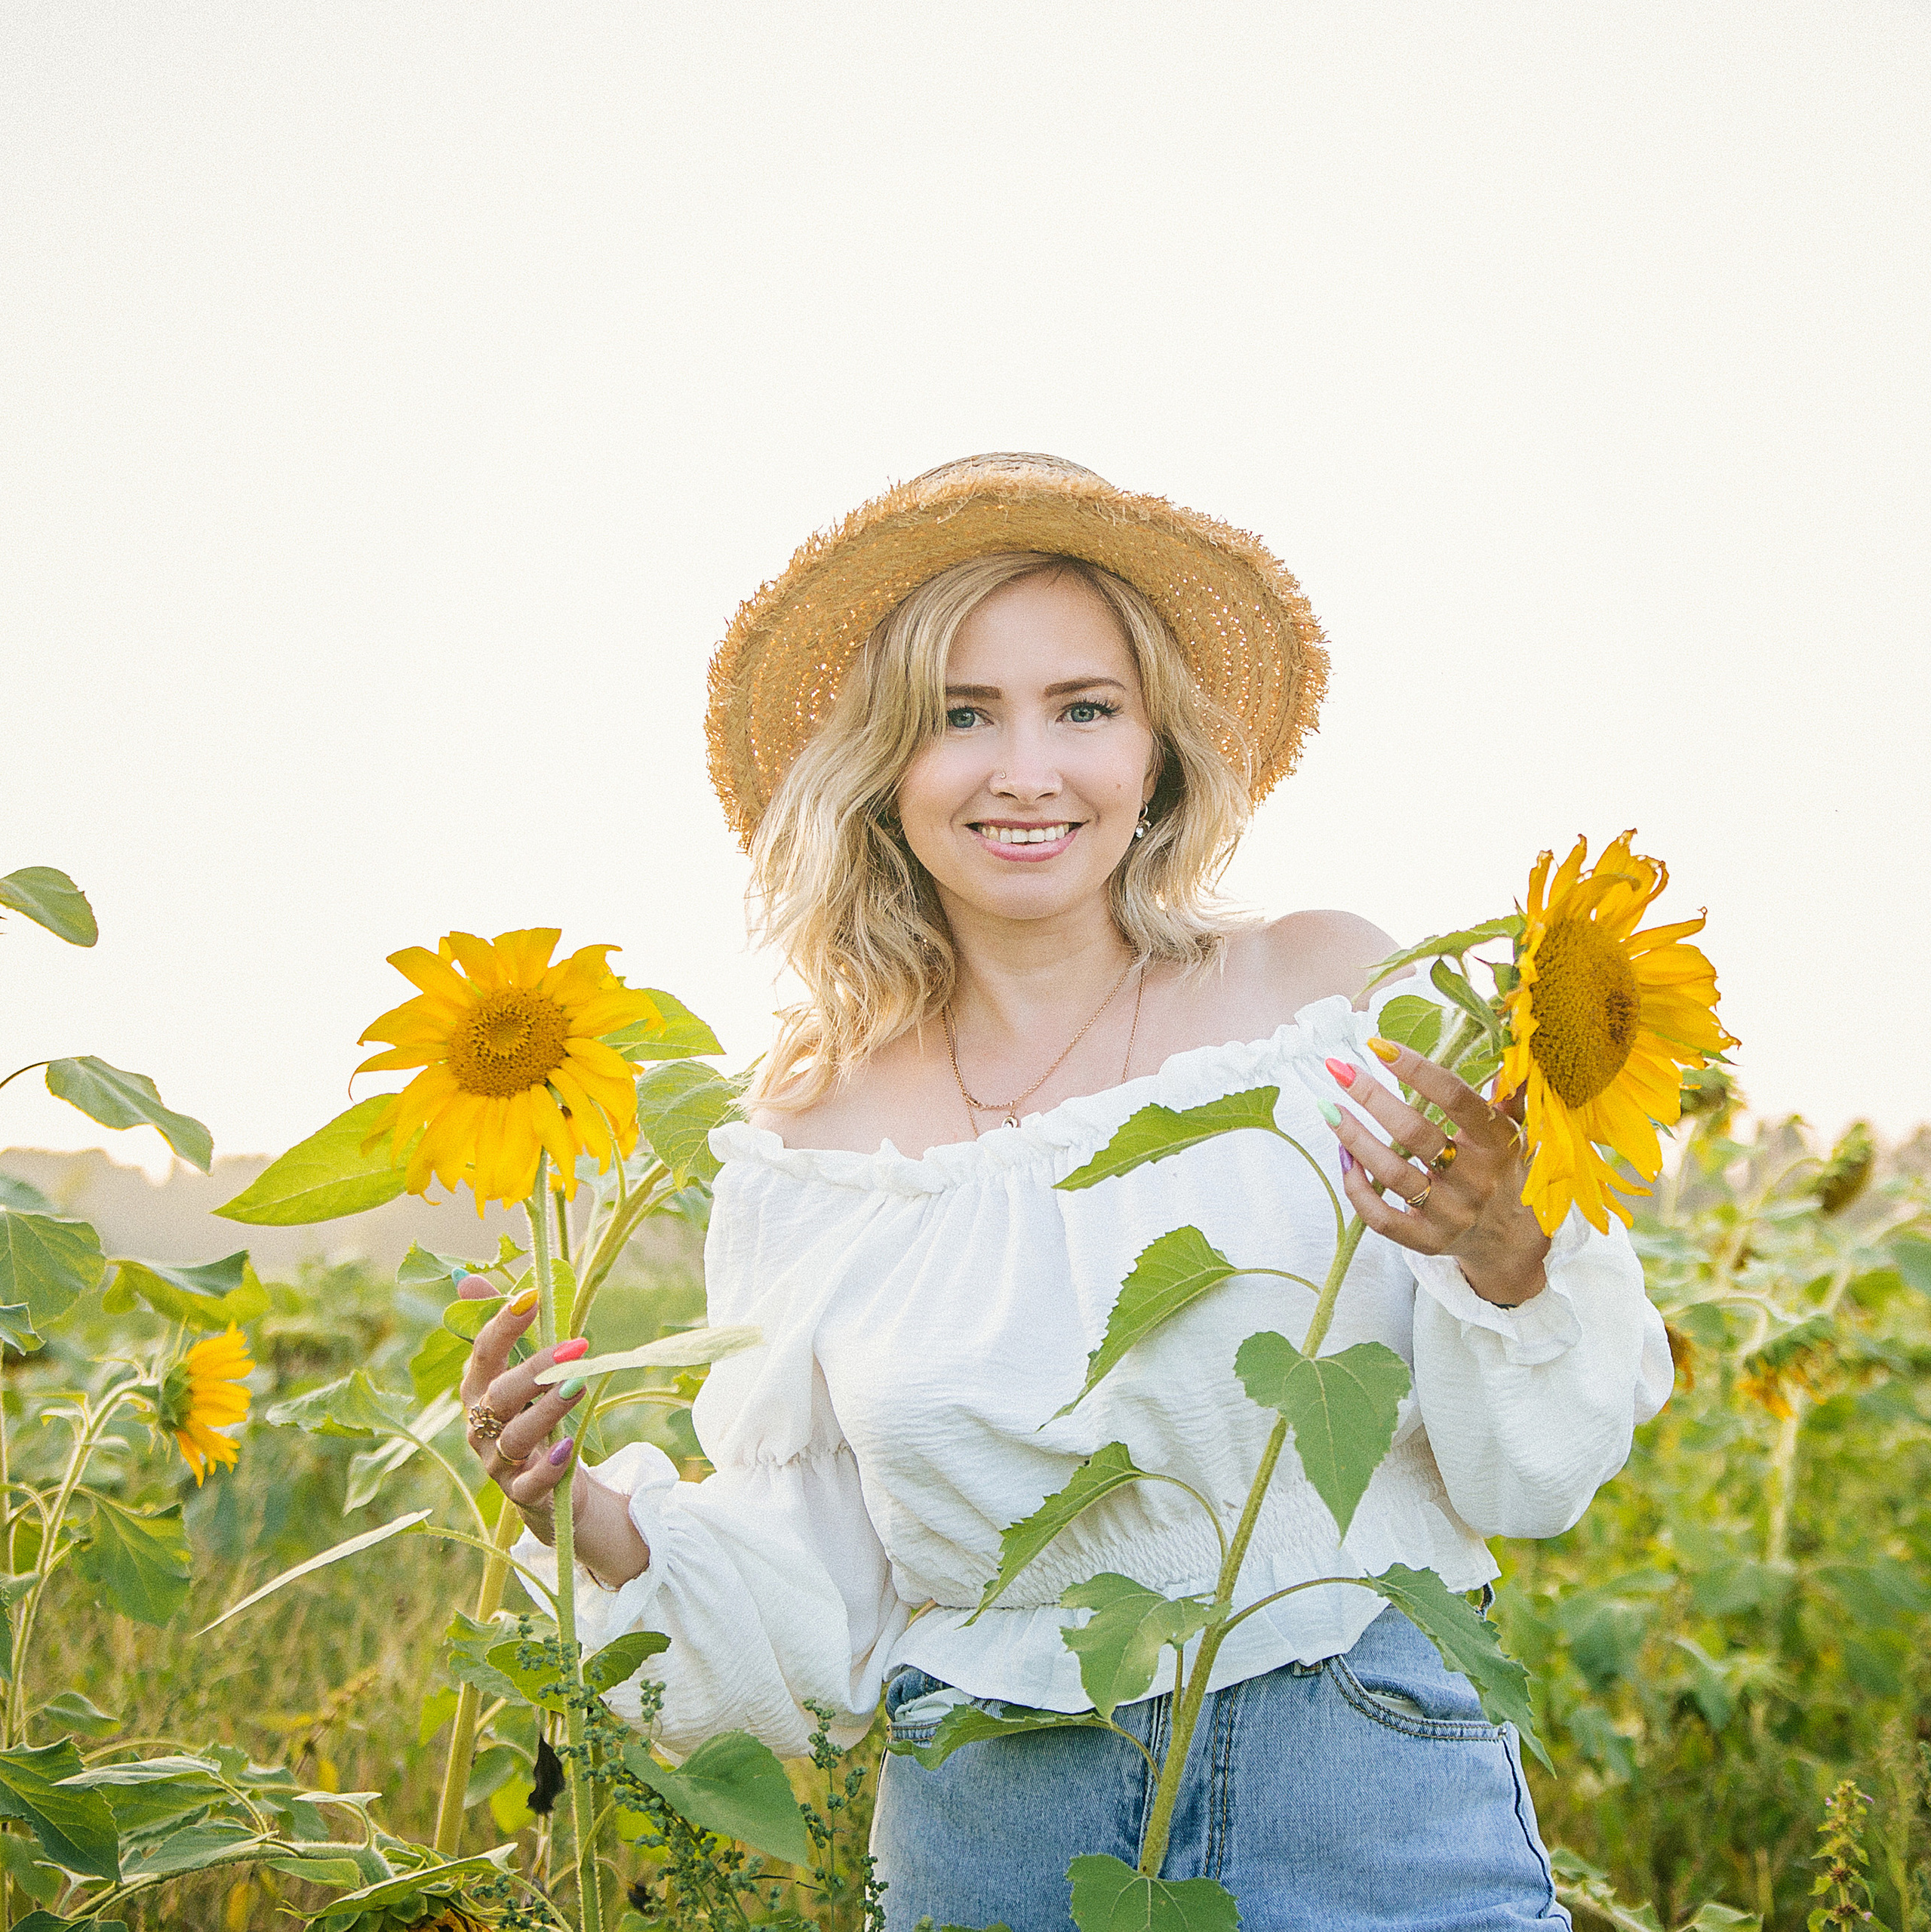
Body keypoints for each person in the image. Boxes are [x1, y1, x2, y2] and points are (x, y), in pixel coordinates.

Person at [459, 454, 1673, 1929]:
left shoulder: (1325, 998)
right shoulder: (814, 1143)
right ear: (882, 765)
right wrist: (585, 1510)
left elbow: (1532, 1476)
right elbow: (822, 1605)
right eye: (959, 714)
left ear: (1158, 750)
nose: (1026, 769)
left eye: (1083, 708)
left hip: (1361, 1781)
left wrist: (1507, 1249)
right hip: (998, 1824)